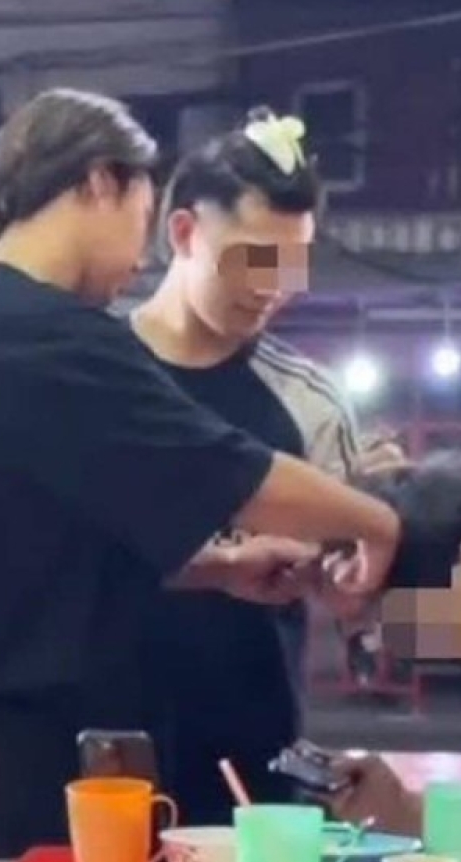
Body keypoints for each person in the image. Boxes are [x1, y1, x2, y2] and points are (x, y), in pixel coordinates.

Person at [0, 87, 415, 862]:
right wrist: (379, 522)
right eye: (141, 218)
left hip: (0, 771)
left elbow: (47, 552)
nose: (135, 259)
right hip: (22, 782)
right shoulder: (39, 331)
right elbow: (228, 468)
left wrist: (218, 568)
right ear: (102, 183)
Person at [130, 107, 366, 820]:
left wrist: (349, 585)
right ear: (183, 233)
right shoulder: (94, 381)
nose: (273, 286)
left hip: (258, 782)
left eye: (291, 264)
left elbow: (362, 596)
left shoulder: (312, 403)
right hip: (103, 768)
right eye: (254, 258)